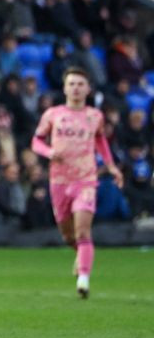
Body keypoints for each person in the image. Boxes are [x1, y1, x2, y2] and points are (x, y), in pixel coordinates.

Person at [30, 67, 122, 299]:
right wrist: (49, 152)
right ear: (64, 88)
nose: (76, 88)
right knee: (67, 235)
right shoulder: (53, 114)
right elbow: (36, 141)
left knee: (83, 231)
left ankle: (83, 278)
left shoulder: (95, 116)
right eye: (71, 84)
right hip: (59, 180)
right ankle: (81, 256)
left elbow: (100, 140)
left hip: (86, 179)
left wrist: (110, 166)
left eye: (80, 84)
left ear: (88, 88)